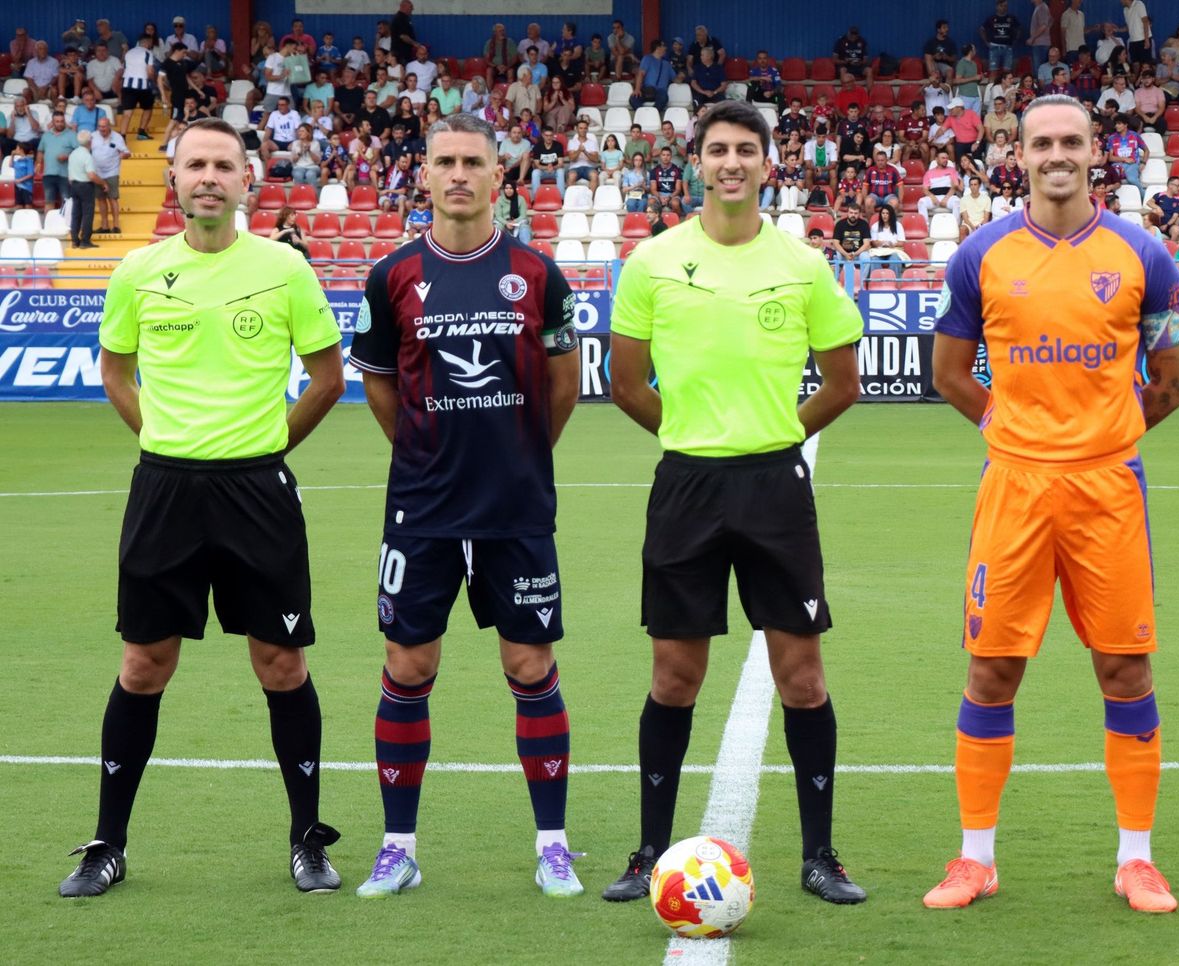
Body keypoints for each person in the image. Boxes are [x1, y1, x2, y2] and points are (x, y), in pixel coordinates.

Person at [58, 116, 346, 899]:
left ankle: (307, 840)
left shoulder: (285, 268)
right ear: (176, 179)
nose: (209, 177)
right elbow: (116, 369)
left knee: (281, 663)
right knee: (143, 665)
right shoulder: (138, 272)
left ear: (246, 179)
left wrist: (267, 448)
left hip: (258, 491)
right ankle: (107, 844)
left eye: (224, 164)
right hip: (164, 491)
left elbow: (327, 376)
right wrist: (159, 435)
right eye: (195, 165)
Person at [923, 93, 1179, 913]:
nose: (1057, 154)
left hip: (1109, 489)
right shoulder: (980, 254)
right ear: (1021, 154)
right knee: (992, 668)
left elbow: (1176, 379)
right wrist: (1007, 423)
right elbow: (950, 373)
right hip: (1014, 487)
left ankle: (1136, 860)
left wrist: (1103, 435)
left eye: (1072, 140)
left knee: (1124, 665)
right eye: (1043, 143)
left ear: (1094, 151)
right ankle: (975, 859)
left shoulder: (1144, 252)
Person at [601, 99, 867, 907]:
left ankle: (820, 855)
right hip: (686, 485)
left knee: (803, 676)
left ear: (767, 163)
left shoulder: (804, 263)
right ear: (697, 162)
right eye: (717, 149)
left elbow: (843, 381)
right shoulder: (651, 261)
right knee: (675, 675)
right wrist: (689, 436)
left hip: (775, 488)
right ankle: (650, 850)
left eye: (745, 150)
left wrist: (778, 436)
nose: (731, 163)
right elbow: (625, 381)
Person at [346, 111, 581, 900]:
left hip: (517, 504)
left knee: (530, 664)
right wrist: (418, 449)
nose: (456, 174)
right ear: (424, 174)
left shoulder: (539, 272)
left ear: (496, 176)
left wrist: (521, 454)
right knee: (408, 666)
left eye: (471, 162)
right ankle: (398, 847)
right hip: (423, 508)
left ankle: (553, 843)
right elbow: (378, 378)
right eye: (443, 160)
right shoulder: (392, 276)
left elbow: (563, 385)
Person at [90, 116, 130, 234]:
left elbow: (127, 152)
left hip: (112, 171)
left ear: (109, 126)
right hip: (97, 172)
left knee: (113, 198)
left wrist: (124, 155)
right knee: (101, 199)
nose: (102, 129)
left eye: (104, 126)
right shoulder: (93, 136)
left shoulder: (117, 137)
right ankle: (105, 225)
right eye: (100, 126)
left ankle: (116, 225)